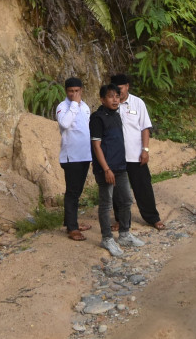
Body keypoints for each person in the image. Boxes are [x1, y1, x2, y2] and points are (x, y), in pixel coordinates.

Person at [91, 83, 143, 257]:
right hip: (106, 169)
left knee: (127, 200)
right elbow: (96, 146)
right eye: (111, 96)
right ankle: (107, 238)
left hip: (120, 167)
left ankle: (124, 234)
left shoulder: (116, 115)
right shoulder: (97, 118)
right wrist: (106, 169)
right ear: (102, 99)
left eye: (117, 96)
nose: (115, 99)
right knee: (106, 204)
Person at [111, 73, 166, 230]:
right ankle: (120, 219)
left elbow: (145, 128)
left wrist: (145, 150)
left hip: (136, 154)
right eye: (114, 89)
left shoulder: (137, 103)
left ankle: (152, 218)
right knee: (117, 190)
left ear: (127, 86)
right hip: (116, 157)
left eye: (120, 88)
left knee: (143, 187)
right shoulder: (110, 105)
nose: (117, 92)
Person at [55, 77, 93, 241]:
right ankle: (72, 228)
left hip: (85, 154)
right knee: (72, 192)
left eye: (77, 91)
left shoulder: (85, 107)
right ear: (66, 91)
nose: (74, 94)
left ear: (81, 90)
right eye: (71, 91)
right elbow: (65, 124)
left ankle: (72, 222)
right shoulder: (62, 107)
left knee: (77, 191)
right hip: (71, 156)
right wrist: (74, 105)